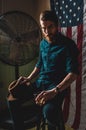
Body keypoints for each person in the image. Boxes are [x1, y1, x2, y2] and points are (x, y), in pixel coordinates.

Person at [7, 10, 79, 130]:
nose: (46, 31)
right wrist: (29, 78)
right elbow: (39, 64)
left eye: (50, 27)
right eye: (43, 28)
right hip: (41, 83)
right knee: (12, 99)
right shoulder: (42, 43)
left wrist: (54, 91)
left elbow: (73, 74)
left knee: (49, 111)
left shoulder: (68, 45)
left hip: (56, 87)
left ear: (57, 25)